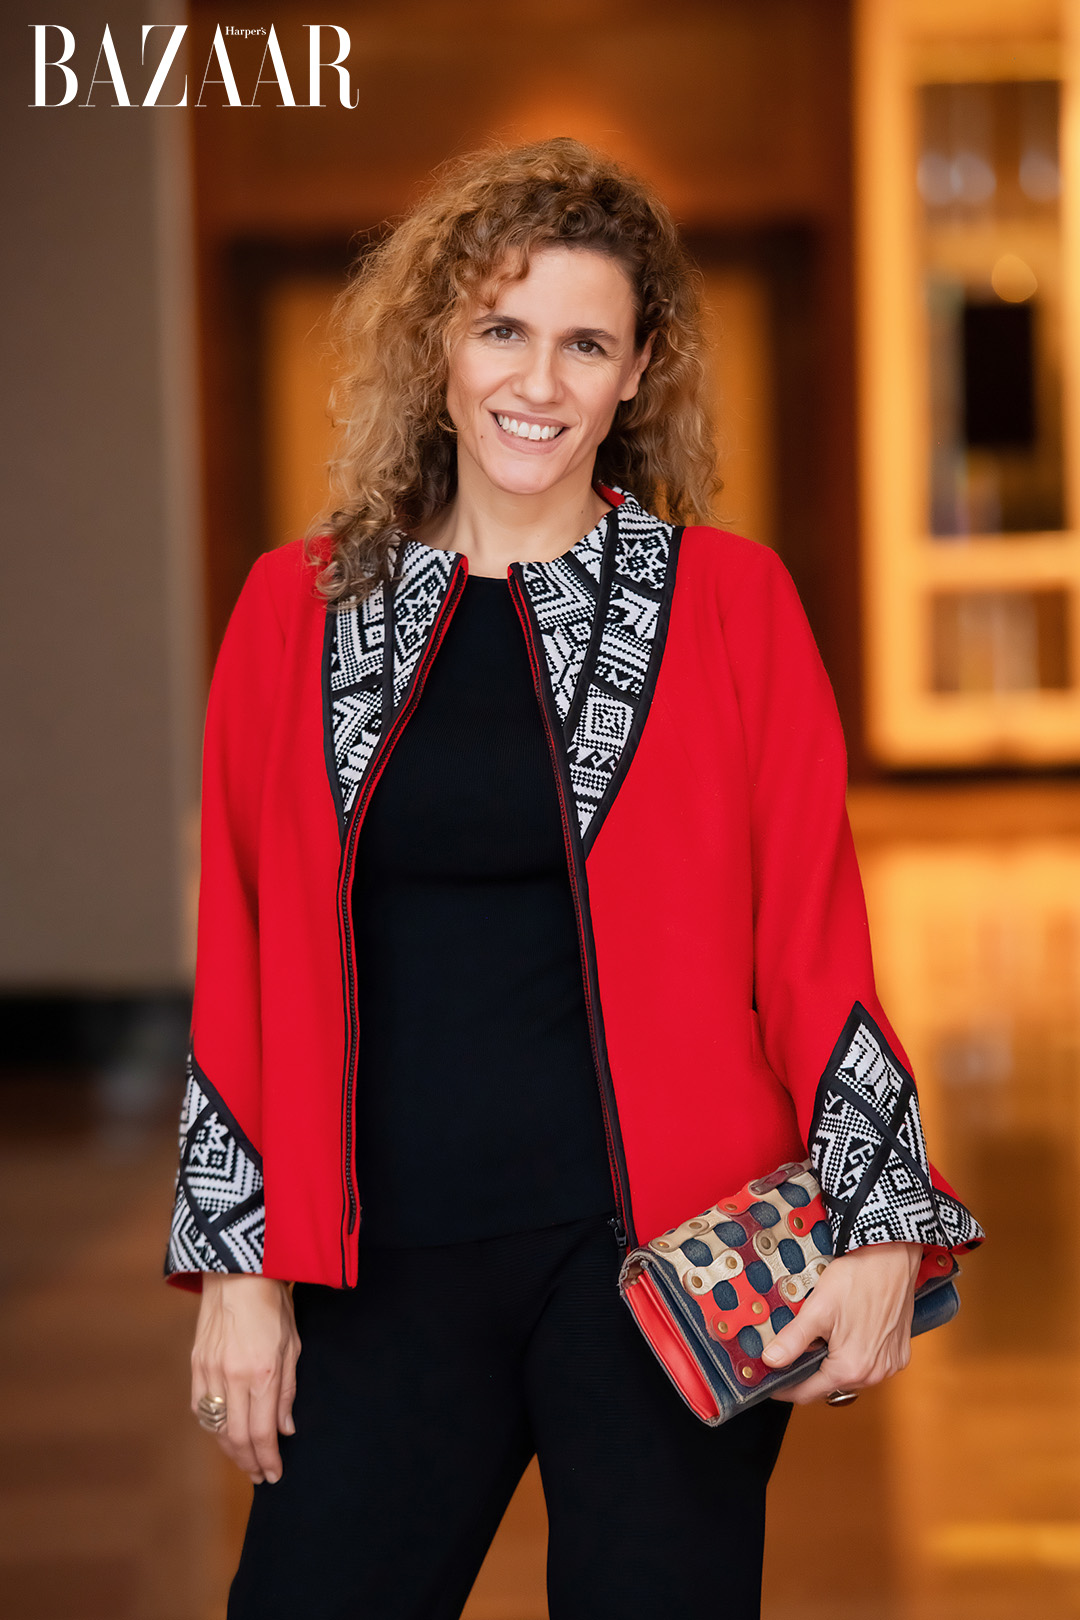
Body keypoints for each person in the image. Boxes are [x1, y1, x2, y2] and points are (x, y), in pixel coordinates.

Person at [165, 137, 983, 1620]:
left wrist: (880, 1220)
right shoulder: (301, 609)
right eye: (503, 329)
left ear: (636, 370)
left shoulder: (732, 605)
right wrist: (241, 1267)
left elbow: (814, 943)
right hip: (380, 1266)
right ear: (441, 344)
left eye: (585, 343)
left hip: (663, 1271)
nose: (537, 382)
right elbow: (241, 948)